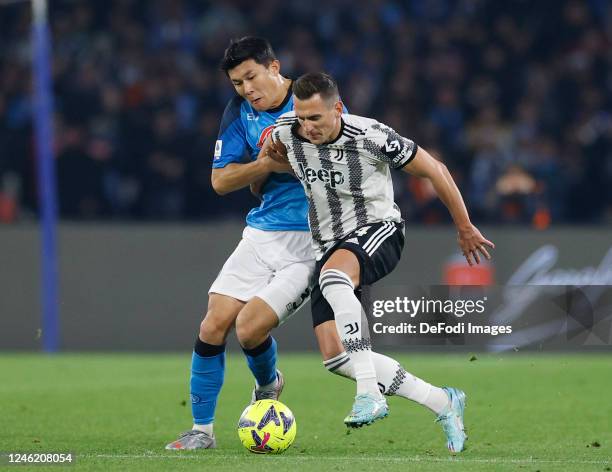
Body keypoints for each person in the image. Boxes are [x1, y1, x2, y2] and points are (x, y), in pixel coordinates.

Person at [267, 72, 495, 453]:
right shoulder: (286, 131)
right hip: (328, 243)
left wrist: (465, 226)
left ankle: (369, 393)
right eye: (301, 117)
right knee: (337, 356)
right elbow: (272, 153)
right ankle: (444, 401)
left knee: (334, 277)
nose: (307, 127)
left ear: (337, 109)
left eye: (316, 119)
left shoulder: (371, 135)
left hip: (379, 230)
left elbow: (434, 169)